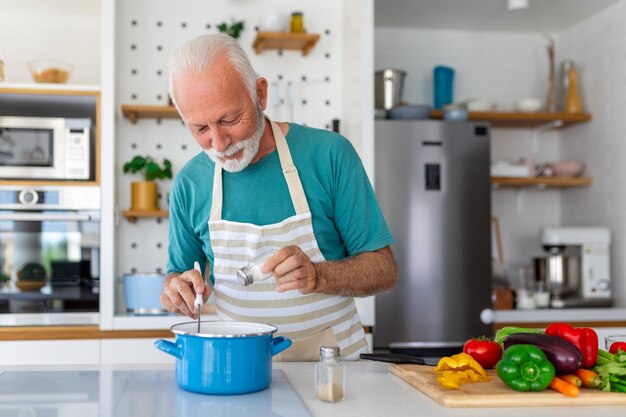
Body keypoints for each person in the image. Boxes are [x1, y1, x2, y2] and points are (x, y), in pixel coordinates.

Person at [161, 33, 397, 361]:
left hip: (334, 366)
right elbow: (180, 273)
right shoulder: (190, 183)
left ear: (260, 94)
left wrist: (319, 275)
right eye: (199, 129)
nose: (218, 143)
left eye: (229, 120)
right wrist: (177, 290)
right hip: (238, 366)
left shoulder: (329, 155)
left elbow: (383, 270)